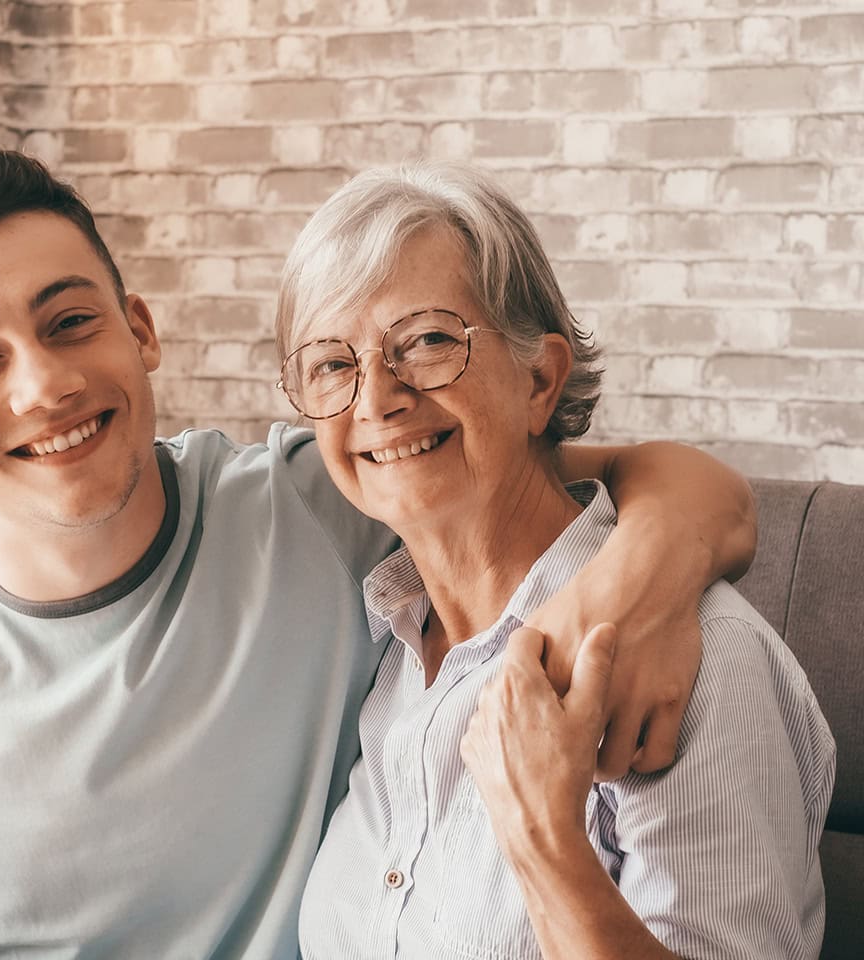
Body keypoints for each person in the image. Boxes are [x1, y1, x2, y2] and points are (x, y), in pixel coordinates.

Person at [0, 151, 756, 960]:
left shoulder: (322, 496)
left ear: (140, 331)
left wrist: (637, 581)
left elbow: (570, 468)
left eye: (69, 321)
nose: (44, 384)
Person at [263, 163, 832, 958]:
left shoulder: (691, 661)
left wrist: (542, 839)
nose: (375, 398)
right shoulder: (385, 649)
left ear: (540, 379)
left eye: (426, 341)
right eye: (331, 363)